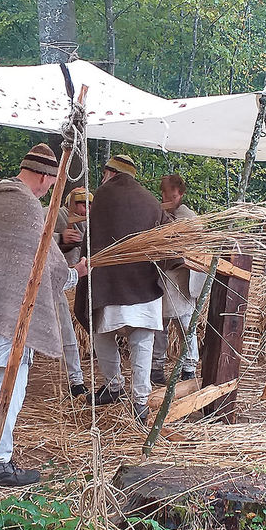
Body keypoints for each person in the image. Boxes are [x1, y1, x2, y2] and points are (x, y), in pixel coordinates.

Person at [0, 143, 88, 486]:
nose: (48, 190)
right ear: (42, 176)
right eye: (50, 182)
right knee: (11, 386)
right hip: (8, 311)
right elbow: (46, 257)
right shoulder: (27, 203)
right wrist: (75, 273)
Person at [74, 155, 169, 424]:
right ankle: (140, 402)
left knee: (102, 334)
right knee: (142, 341)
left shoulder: (103, 196)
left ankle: (113, 387)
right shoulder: (150, 200)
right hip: (143, 285)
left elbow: (91, 239)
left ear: (110, 173)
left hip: (110, 283)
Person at [151, 174, 204, 385]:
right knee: (159, 325)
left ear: (180, 194)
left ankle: (189, 369)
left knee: (185, 325)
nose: (168, 199)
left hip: (182, 281)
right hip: (163, 279)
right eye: (165, 194)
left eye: (172, 195)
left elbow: (197, 249)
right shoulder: (158, 215)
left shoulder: (189, 218)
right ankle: (156, 368)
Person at [51, 187, 92, 397]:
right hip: (53, 280)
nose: (85, 208)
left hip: (79, 279)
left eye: (88, 204)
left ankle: (75, 379)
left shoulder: (90, 220)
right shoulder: (55, 215)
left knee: (69, 332)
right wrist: (61, 238)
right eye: (81, 204)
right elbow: (44, 242)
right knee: (65, 330)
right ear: (71, 203)